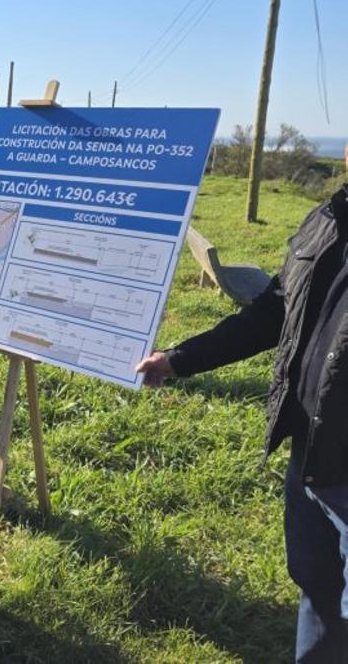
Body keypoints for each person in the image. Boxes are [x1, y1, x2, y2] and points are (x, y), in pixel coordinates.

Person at [136, 146, 348, 663]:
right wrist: (181, 359)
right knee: (319, 589)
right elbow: (275, 310)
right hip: (312, 453)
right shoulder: (328, 217)